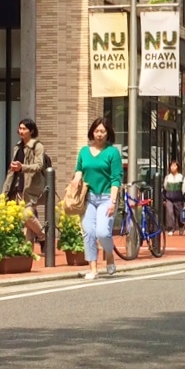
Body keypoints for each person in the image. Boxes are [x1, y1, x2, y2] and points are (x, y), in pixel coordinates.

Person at [74, 116, 124, 279]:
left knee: (102, 232)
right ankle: (93, 268)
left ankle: (109, 254)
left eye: (102, 131)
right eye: (96, 131)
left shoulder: (112, 152)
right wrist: (76, 178)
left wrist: (113, 201)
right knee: (88, 231)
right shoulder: (84, 151)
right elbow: (80, 169)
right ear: (92, 132)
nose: (99, 134)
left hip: (107, 197)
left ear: (108, 133)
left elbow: (116, 178)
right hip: (88, 198)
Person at [0, 117, 47, 244]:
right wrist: (5, 191)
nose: (21, 131)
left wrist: (22, 167)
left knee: (26, 215)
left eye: (24, 128)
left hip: (31, 188)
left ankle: (42, 237)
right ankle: (27, 250)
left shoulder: (37, 146)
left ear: (31, 131)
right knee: (22, 221)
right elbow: (11, 171)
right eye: (20, 128)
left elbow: (39, 166)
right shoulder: (17, 147)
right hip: (17, 188)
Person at [161, 159, 185, 234]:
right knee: (169, 213)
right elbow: (164, 189)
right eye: (171, 165)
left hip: (179, 199)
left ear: (178, 167)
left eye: (174, 165)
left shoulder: (181, 177)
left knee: (179, 213)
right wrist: (164, 199)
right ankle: (171, 229)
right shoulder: (167, 178)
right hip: (169, 198)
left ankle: (181, 226)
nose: (173, 167)